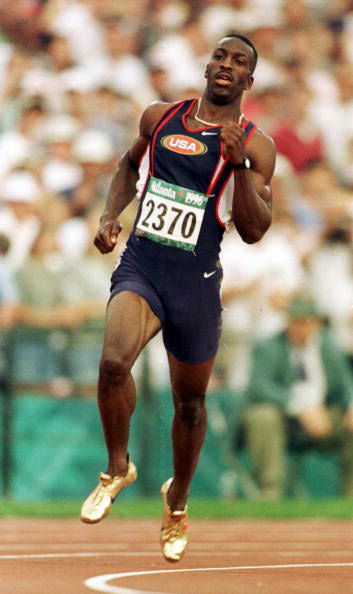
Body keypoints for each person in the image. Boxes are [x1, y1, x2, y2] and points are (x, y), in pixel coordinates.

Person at [80, 33, 276, 562]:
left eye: (238, 62)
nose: (225, 66)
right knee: (113, 363)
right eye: (219, 56)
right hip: (143, 264)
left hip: (196, 282)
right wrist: (108, 217)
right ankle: (117, 468)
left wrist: (236, 168)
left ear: (248, 81)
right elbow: (126, 168)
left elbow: (256, 230)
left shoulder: (257, 145)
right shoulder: (159, 117)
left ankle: (178, 502)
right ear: (207, 65)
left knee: (190, 405)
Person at [242, 295, 353, 500]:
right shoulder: (268, 346)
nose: (301, 328)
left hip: (325, 418)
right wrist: (298, 406)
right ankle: (270, 493)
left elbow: (346, 384)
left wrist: (351, 405)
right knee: (263, 416)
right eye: (296, 322)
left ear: (318, 323)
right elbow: (258, 386)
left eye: (306, 322)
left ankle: (349, 499)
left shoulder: (330, 347)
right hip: (285, 419)